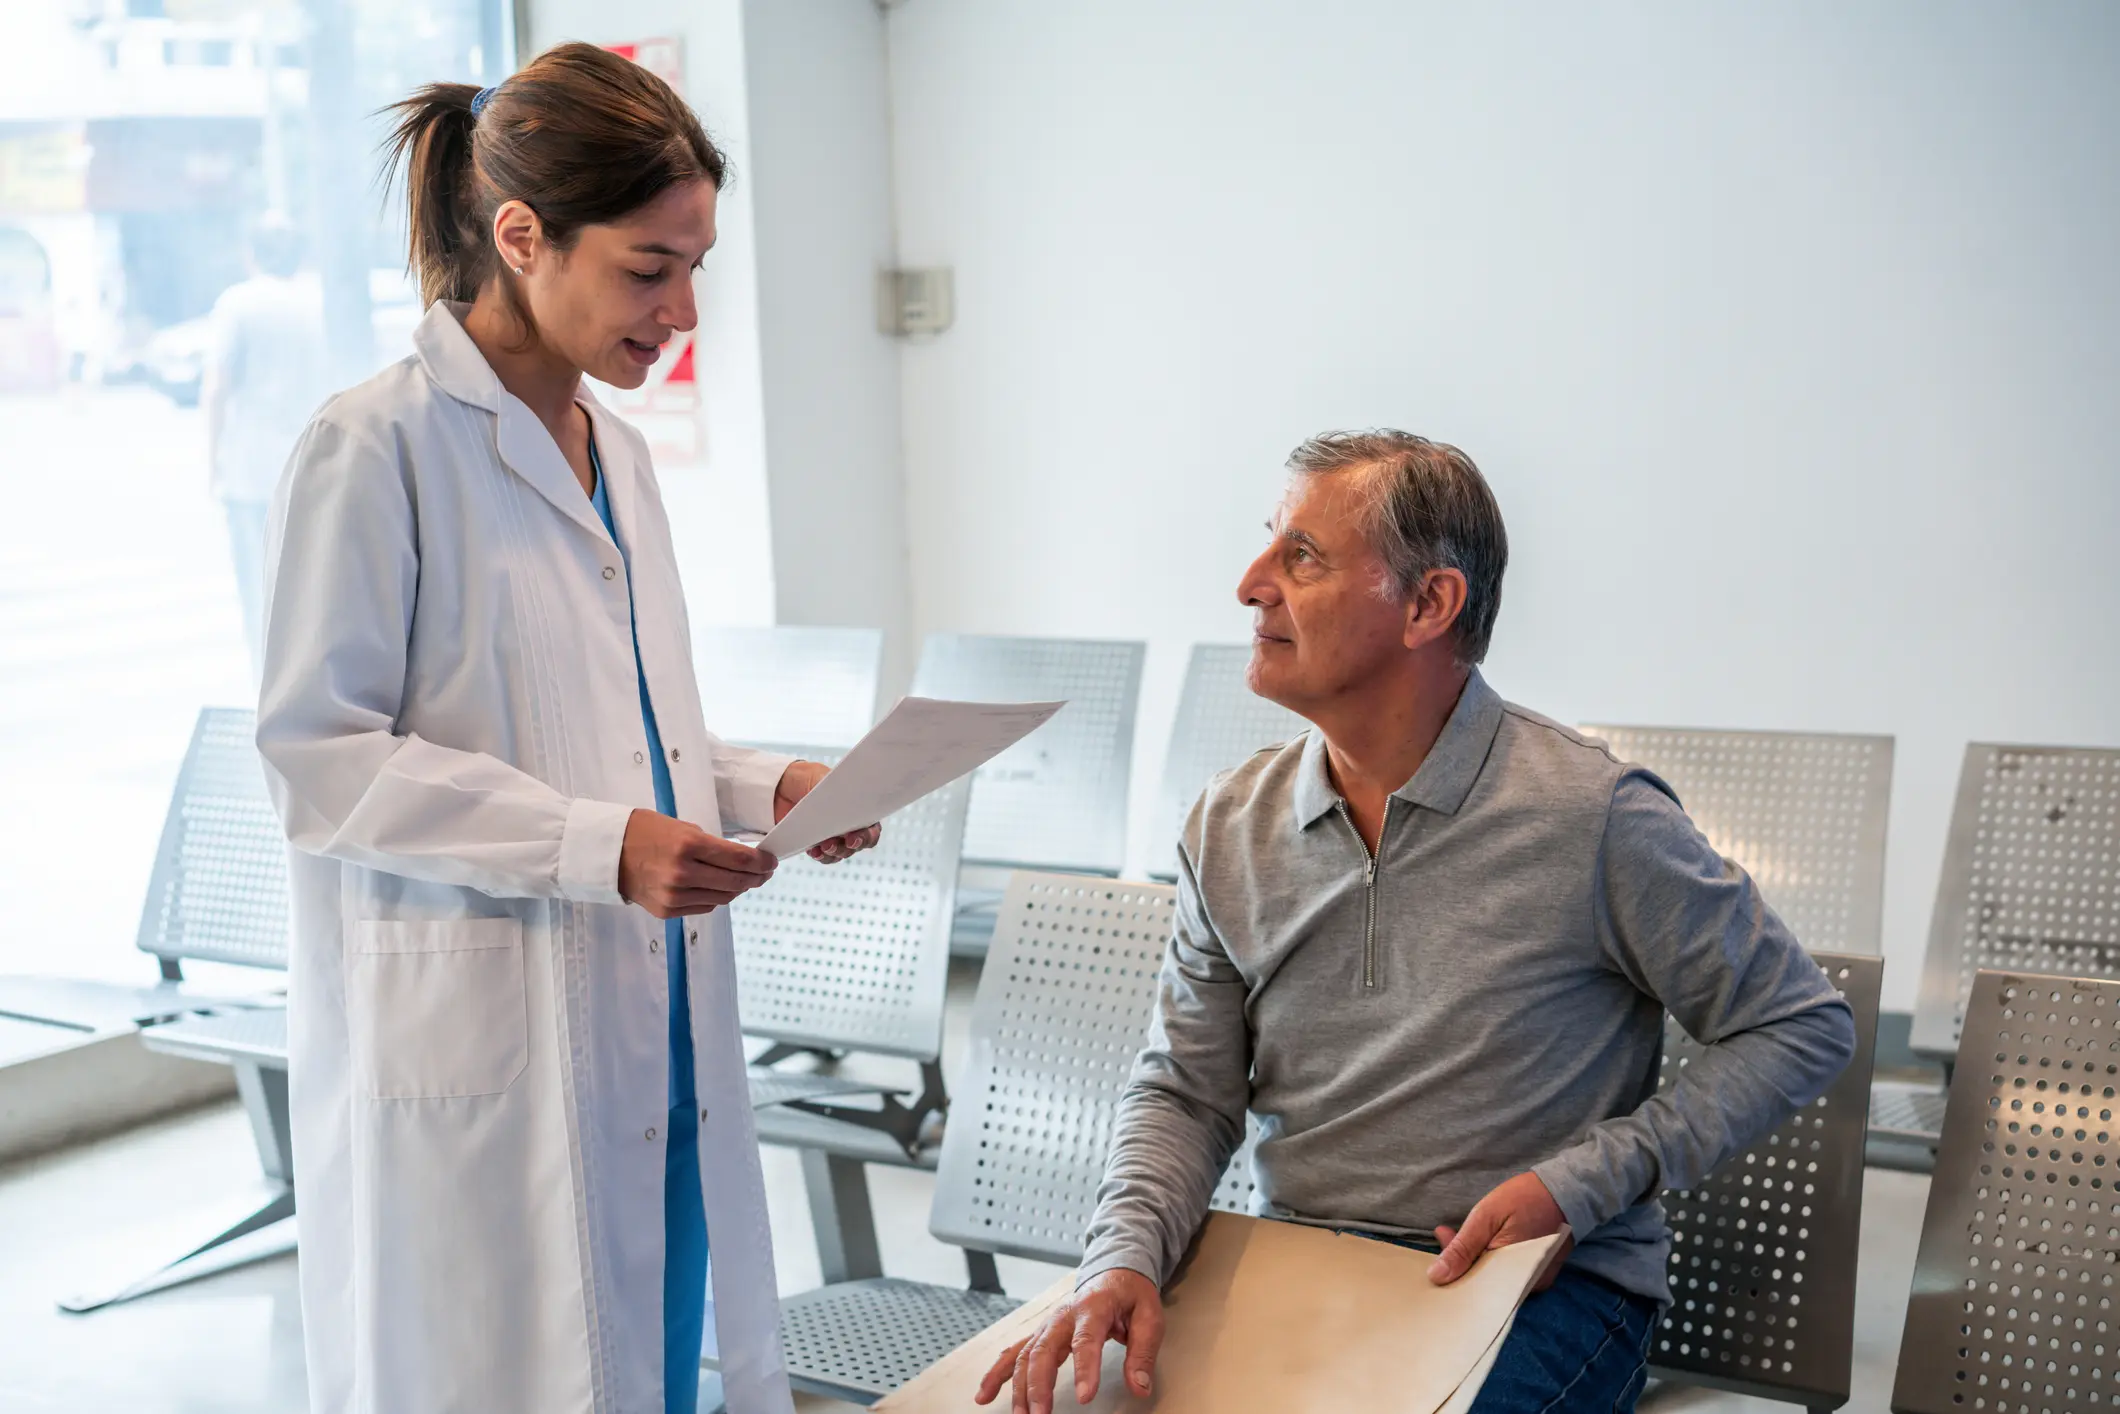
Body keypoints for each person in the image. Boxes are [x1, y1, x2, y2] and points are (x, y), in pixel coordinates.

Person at [978, 431, 1858, 1414]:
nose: (1248, 584)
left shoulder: (1594, 817)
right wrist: (1119, 1260)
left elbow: (1799, 1025)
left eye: (1300, 556)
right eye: (1267, 544)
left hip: (1534, 1289)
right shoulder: (1228, 822)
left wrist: (1582, 1182)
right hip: (1297, 1262)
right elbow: (1185, 1091)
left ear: (1427, 604)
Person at [255, 45, 876, 1414]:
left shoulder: (621, 454)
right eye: (651, 269)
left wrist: (761, 782)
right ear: (522, 236)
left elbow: (623, 729)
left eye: (697, 266)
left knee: (653, 1348)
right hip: (485, 1047)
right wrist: (597, 847)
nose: (684, 310)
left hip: (646, 1015)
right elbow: (318, 759)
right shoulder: (376, 447)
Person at [202, 215, 324, 679]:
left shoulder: (238, 303)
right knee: (308, 587)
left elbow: (217, 387)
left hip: (252, 472)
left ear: (250, 255)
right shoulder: (315, 301)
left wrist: (212, 463)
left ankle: (266, 687)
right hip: (310, 468)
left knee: (260, 592)